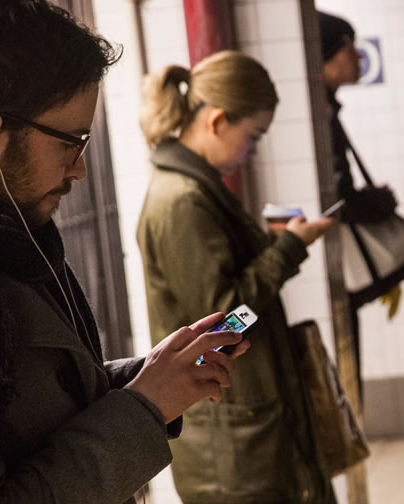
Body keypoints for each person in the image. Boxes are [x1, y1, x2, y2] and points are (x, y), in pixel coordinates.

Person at [0, 2, 248, 502]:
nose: (79, 170)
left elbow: (37, 405)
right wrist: (144, 405)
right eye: (70, 142)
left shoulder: (4, 234)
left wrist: (152, 376)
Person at [136, 50, 336, 503]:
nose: (253, 152)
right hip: (232, 448)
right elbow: (226, 324)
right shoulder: (182, 201)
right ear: (217, 120)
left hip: (244, 430)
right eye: (253, 136)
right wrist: (287, 250)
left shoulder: (197, 189)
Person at [318, 10, 399, 394]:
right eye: (349, 47)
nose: (359, 55)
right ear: (326, 56)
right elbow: (336, 202)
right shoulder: (319, 117)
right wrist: (377, 204)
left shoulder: (325, 110)